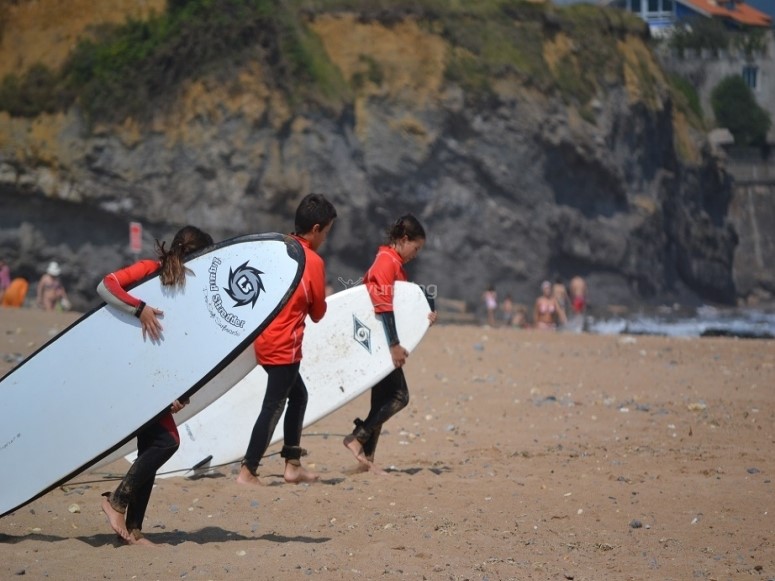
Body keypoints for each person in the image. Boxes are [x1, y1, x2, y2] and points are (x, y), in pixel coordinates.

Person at [97, 225, 214, 546]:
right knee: (167, 442)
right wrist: (140, 308)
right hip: (132, 374)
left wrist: (182, 393)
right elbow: (106, 286)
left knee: (152, 444)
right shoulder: (150, 272)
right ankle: (117, 502)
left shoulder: (190, 296)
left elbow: (180, 345)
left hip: (155, 379)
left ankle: (133, 530)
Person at [237, 193, 337, 487]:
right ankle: (248, 470)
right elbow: (318, 312)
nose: (325, 239)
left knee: (298, 396)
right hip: (285, 346)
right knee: (273, 405)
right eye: (327, 233)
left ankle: (293, 465)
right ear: (316, 228)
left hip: (264, 338)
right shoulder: (313, 261)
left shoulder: (279, 247)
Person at [343, 214, 437, 474]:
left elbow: (402, 308)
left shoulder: (394, 264)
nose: (416, 254)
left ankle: (367, 461)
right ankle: (357, 436)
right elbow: (383, 307)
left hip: (380, 342)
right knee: (399, 396)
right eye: (416, 248)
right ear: (404, 240)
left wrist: (424, 316)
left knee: (381, 401)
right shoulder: (386, 262)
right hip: (379, 343)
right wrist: (394, 345)